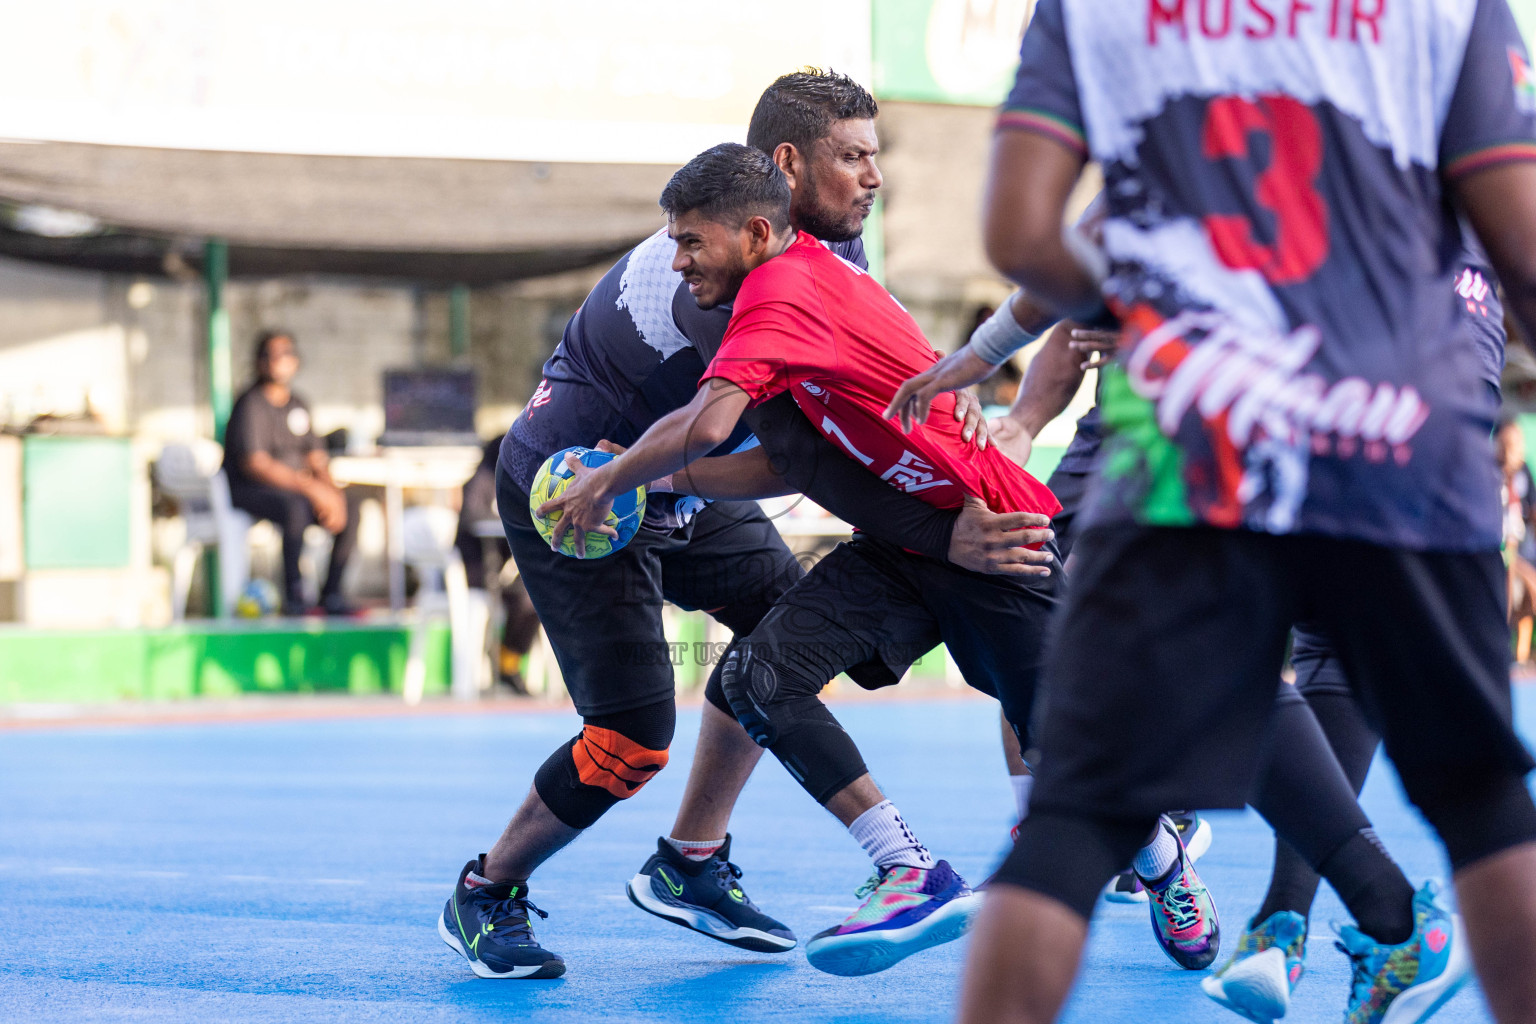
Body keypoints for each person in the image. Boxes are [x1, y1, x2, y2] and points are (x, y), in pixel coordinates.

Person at [958, 4, 1536, 1024]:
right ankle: (1341, 918)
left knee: (1075, 820)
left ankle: (1304, 917)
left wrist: (1149, 305)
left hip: (1195, 442)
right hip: (1393, 430)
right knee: (1487, 807)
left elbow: (1018, 229)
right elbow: (1520, 247)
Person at [541, 142, 1218, 975]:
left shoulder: (778, 297)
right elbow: (783, 463)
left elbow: (712, 424)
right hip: (909, 540)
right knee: (756, 676)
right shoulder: (798, 281)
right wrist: (660, 479)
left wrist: (609, 478)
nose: (676, 261)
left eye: (689, 242)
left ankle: (1163, 863)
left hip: (993, 539)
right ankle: (908, 870)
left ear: (755, 231)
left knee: (1073, 757)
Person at [436, 69, 1040, 982]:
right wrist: (935, 533)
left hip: (676, 482)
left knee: (783, 640)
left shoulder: (822, 253)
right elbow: (790, 456)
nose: (874, 178)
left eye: (875, 156)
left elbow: (800, 446)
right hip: (580, 497)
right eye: (853, 157)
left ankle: (691, 861)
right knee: (632, 739)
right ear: (785, 171)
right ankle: (487, 888)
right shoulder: (721, 281)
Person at [222, 330, 361, 616]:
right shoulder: (250, 404)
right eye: (271, 355)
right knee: (295, 508)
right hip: (253, 490)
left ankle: (332, 594)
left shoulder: (299, 404)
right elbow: (256, 464)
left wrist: (331, 492)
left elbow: (316, 458)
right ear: (259, 362)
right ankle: (295, 596)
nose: (278, 362)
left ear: (295, 361)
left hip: (296, 488)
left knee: (351, 504)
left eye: (286, 354)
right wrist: (311, 489)